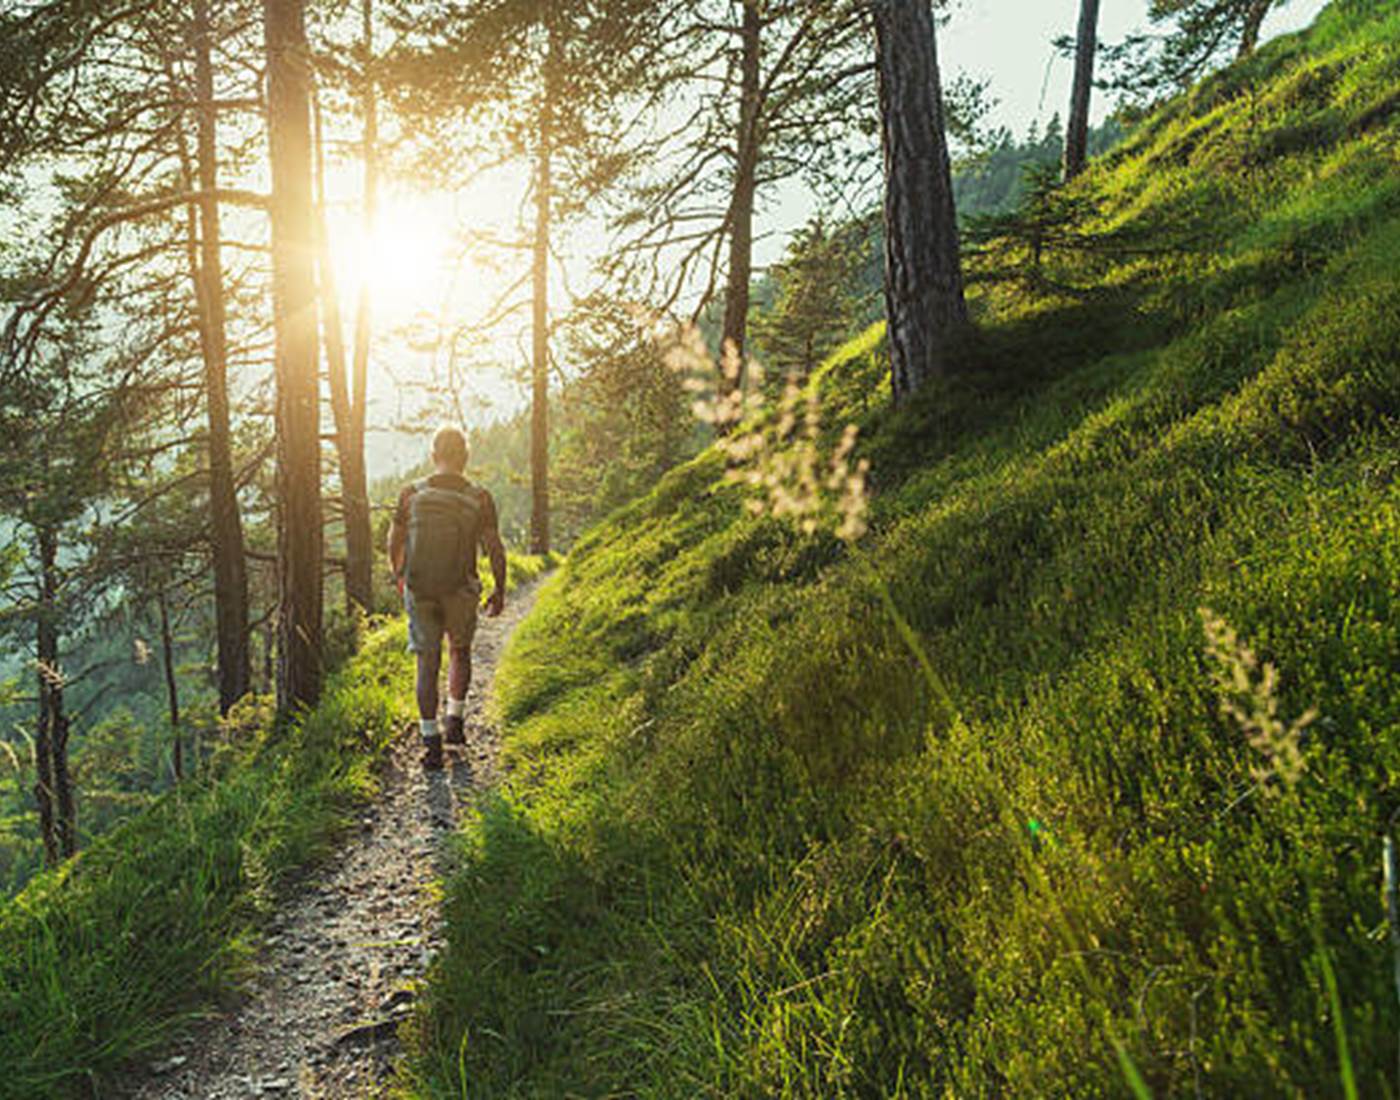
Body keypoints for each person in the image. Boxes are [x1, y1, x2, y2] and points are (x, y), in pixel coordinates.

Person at [388, 426, 507, 770]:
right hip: (460, 588)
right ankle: (454, 718)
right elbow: (494, 548)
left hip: (420, 588)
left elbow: (394, 541)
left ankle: (431, 743)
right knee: (460, 650)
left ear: (433, 455)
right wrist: (499, 588)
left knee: (427, 662)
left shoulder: (411, 493)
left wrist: (401, 576)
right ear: (465, 459)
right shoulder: (480, 497)